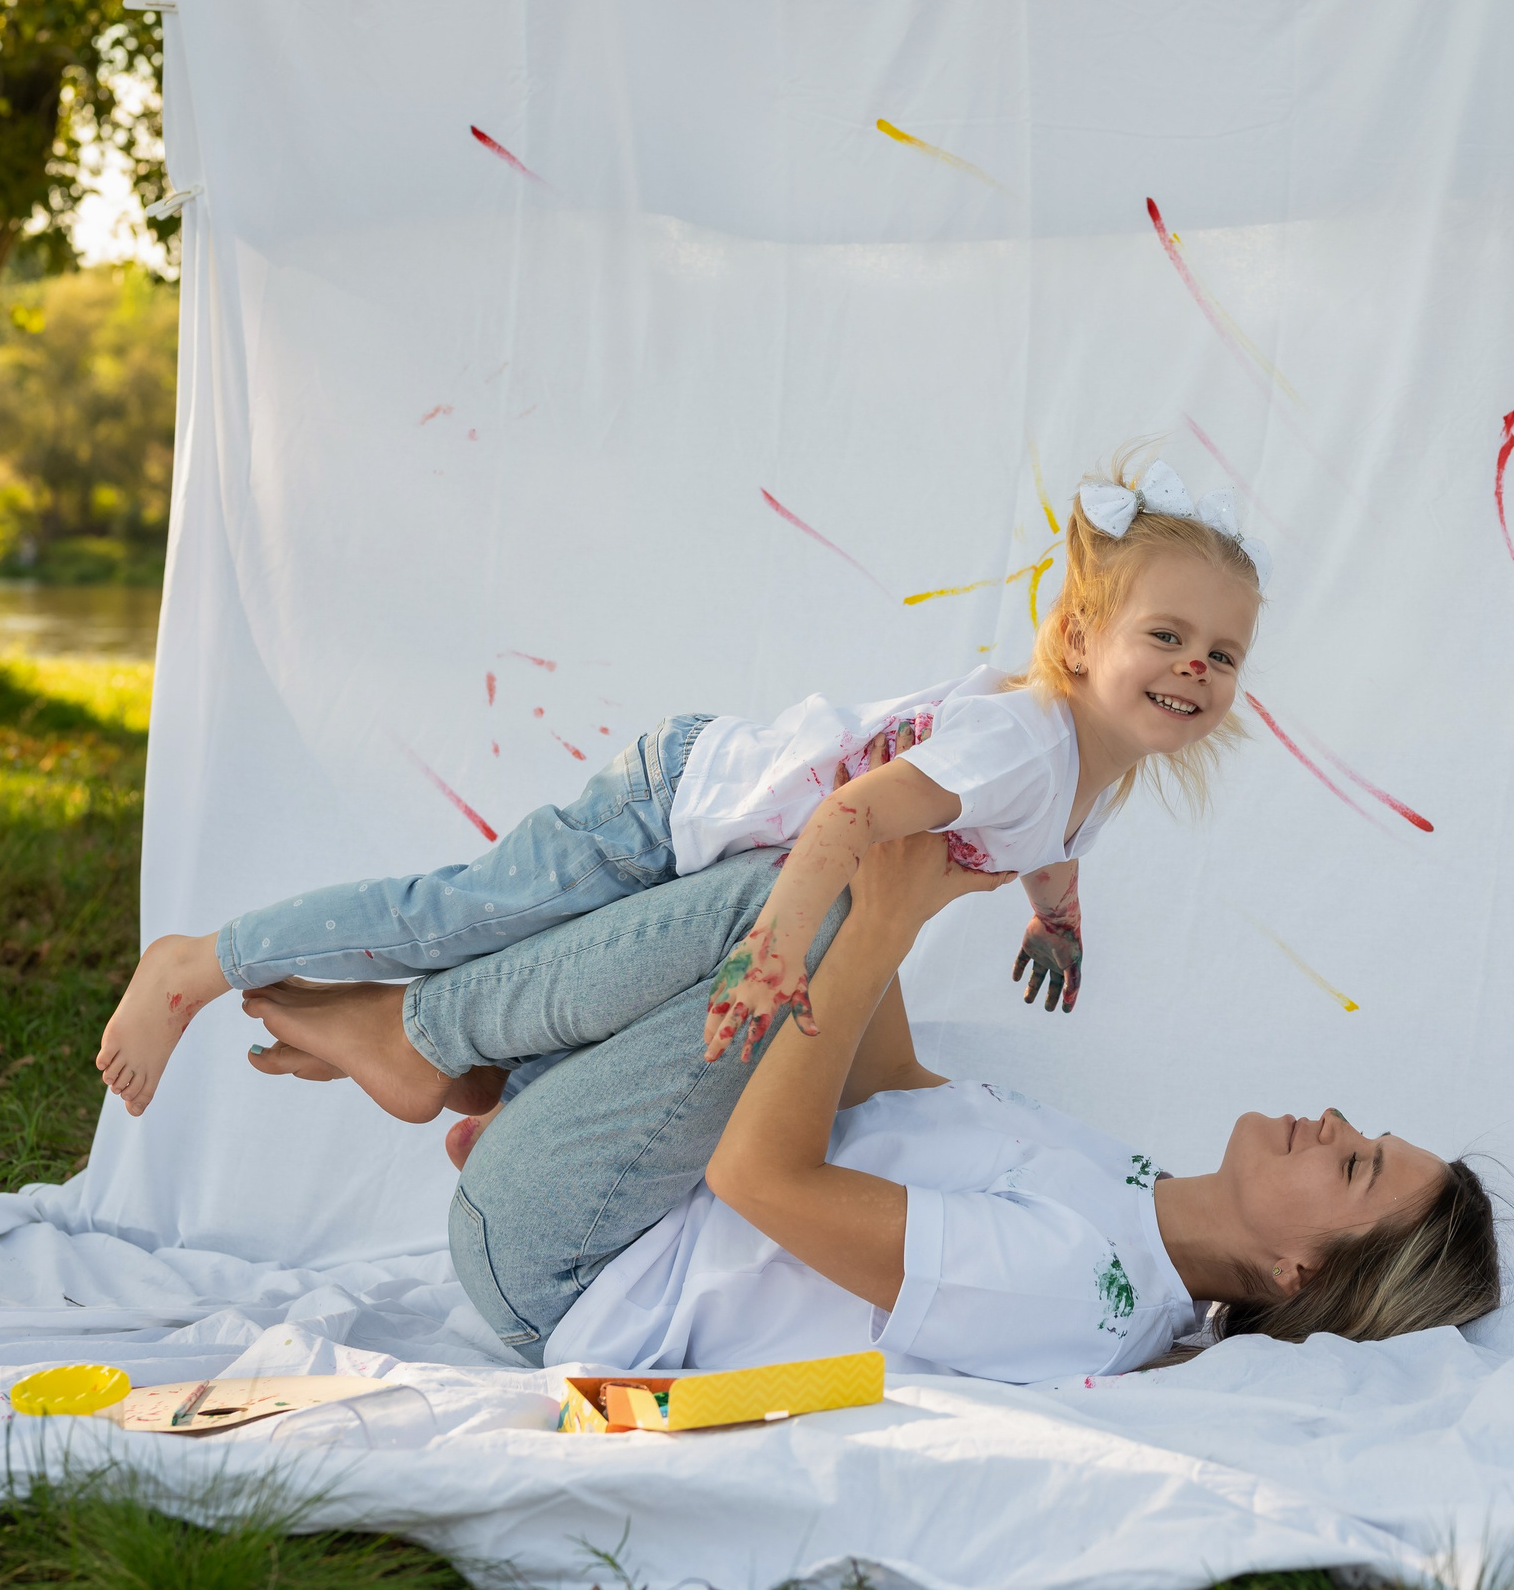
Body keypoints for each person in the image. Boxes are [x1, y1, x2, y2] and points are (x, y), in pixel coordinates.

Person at [95, 454, 1272, 1114]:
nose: (1194, 668)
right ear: (1077, 641)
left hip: (709, 856)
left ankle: (384, 1048)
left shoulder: (1091, 770)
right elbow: (848, 813)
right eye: (1165, 636)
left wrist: (1055, 918)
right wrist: (775, 949)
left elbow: (1049, 841)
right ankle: (197, 962)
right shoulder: (1021, 741)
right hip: (669, 808)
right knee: (454, 920)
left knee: (576, 1001)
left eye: (1221, 654)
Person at [240, 824, 1503, 1382]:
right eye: (1366, 1134)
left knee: (791, 910)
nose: (1335, 1124)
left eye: (1355, 1166)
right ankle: (487, 1073)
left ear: (1295, 1273)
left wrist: (875, 921)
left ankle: (425, 1040)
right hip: (626, 1191)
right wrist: (910, 884)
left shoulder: (1078, 1291)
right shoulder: (1128, 1189)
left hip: (575, 1263)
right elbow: (887, 1086)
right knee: (811, 870)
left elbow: (759, 1179)